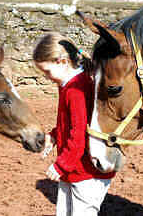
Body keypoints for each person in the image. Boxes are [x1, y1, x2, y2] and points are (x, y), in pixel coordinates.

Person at [33, 32, 115, 216]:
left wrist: (60, 166)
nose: (46, 77)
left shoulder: (76, 89)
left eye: (47, 71)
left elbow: (79, 135)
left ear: (62, 62)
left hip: (86, 171)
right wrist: (54, 135)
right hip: (74, 167)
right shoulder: (68, 85)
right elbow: (71, 122)